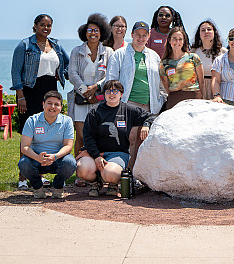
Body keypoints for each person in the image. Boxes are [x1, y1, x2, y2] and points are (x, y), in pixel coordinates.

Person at [11, 14, 70, 189]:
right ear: (35, 26)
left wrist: (66, 75)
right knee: (28, 134)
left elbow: (67, 64)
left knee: (46, 133)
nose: (46, 28)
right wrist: (20, 96)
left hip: (51, 90)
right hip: (30, 91)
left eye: (49, 25)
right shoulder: (24, 45)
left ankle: (41, 175)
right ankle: (23, 177)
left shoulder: (56, 45)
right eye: (42, 25)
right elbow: (16, 72)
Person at [76, 80, 156, 197]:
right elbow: (88, 137)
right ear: (104, 94)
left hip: (118, 153)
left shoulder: (128, 110)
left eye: (115, 91)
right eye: (108, 91)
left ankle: (112, 184)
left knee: (110, 174)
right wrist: (97, 156)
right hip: (95, 154)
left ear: (121, 94)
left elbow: (151, 116)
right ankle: (95, 183)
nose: (111, 94)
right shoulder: (95, 112)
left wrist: (146, 125)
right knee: (82, 169)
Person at [106, 21, 166, 169]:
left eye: (144, 35)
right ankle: (127, 174)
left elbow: (160, 83)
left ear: (148, 36)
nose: (141, 38)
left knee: (146, 141)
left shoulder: (154, 56)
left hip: (150, 105)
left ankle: (141, 174)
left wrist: (161, 99)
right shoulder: (119, 55)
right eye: (137, 35)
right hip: (129, 103)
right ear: (132, 35)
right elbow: (111, 80)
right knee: (130, 139)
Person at [67, 13, 113, 186]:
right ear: (84, 33)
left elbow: (110, 74)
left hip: (100, 100)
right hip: (80, 99)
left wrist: (96, 89)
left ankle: (99, 171)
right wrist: (85, 91)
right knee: (80, 136)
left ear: (101, 32)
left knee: (100, 135)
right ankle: (80, 173)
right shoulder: (76, 51)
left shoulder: (108, 52)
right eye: (89, 30)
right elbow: (72, 74)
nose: (92, 33)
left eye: (96, 30)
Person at [17, 91, 76, 199]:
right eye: (49, 103)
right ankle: (37, 188)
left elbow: (68, 146)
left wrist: (55, 156)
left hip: (58, 158)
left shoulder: (67, 121)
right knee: (24, 163)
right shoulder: (32, 120)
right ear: (43, 104)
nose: (52, 107)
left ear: (61, 107)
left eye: (56, 104)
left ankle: (58, 187)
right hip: (36, 158)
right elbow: (24, 147)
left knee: (70, 163)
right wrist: (37, 157)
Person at [160, 26, 205, 109]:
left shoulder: (193, 57)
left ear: (184, 41)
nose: (177, 42)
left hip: (193, 98)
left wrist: (200, 96)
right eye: (174, 38)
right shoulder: (164, 63)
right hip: (174, 99)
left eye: (180, 39)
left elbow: (201, 82)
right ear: (169, 40)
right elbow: (166, 86)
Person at [190, 19, 227, 100]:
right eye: (203, 30)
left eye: (209, 29)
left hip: (219, 89)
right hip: (200, 89)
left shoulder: (224, 52)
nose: (206, 32)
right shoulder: (193, 52)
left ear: (214, 32)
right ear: (199, 34)